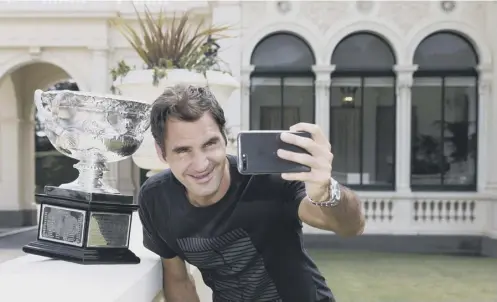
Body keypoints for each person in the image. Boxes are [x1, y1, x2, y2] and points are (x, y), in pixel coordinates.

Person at [138, 85, 365, 302]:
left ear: (225, 138)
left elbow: (351, 226)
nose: (201, 164)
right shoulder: (156, 199)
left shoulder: (268, 179)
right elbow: (178, 280)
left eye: (210, 144)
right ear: (161, 153)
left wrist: (326, 192)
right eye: (183, 150)